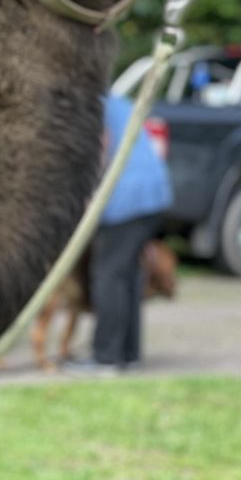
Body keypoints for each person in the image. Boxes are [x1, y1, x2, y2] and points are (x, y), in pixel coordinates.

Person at [65, 93, 173, 375]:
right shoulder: (119, 102)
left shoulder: (91, 106)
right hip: (155, 194)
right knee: (128, 274)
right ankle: (129, 353)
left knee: (109, 275)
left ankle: (106, 358)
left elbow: (100, 146)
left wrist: (88, 196)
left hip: (125, 199)